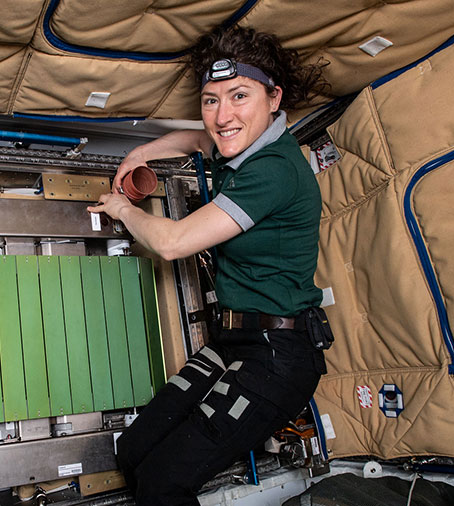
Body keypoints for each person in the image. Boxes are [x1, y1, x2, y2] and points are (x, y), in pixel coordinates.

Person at [87, 26, 332, 505]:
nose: (223, 116)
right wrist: (141, 152)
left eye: (239, 96)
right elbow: (198, 139)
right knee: (133, 451)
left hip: (278, 357)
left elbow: (174, 242)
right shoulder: (237, 145)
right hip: (232, 341)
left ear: (273, 97)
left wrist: (121, 209)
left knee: (163, 484)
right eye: (211, 100)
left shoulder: (273, 170)